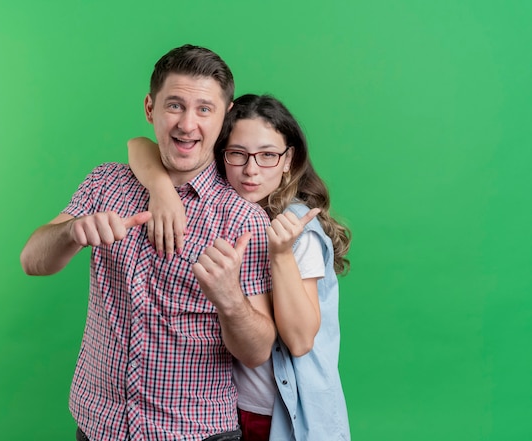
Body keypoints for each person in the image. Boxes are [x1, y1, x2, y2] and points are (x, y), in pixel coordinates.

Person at [20, 45, 277, 441]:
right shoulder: (105, 183)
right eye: (174, 105)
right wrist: (72, 233)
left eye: (204, 109)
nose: (187, 124)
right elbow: (31, 259)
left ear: (224, 117)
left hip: (195, 432)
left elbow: (258, 350)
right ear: (149, 109)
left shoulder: (243, 218)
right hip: (98, 425)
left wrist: (230, 300)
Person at [128, 94, 352, 440]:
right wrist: (162, 189)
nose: (251, 170)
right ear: (221, 156)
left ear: (288, 160)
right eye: (238, 154)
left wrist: (279, 254)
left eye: (267, 156)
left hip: (276, 413)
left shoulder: (296, 228)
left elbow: (300, 340)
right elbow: (138, 145)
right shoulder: (225, 211)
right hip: (222, 409)